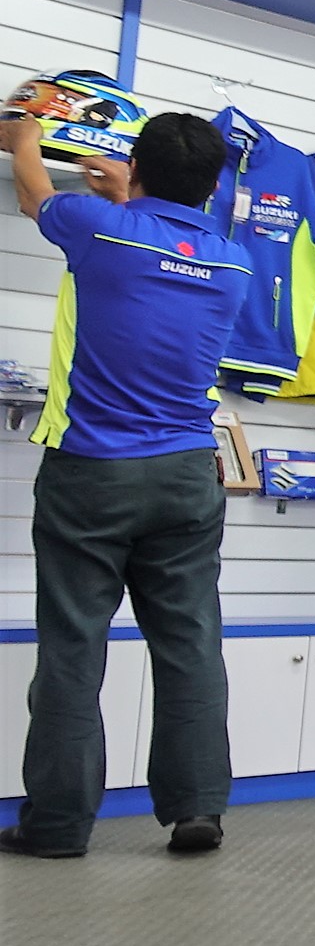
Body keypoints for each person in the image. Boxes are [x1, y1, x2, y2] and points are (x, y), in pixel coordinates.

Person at [0, 111, 252, 859]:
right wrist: (128, 196)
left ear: (136, 168)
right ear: (214, 188)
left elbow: (35, 195)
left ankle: (57, 826)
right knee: (190, 643)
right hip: (187, 476)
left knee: (74, 647)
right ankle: (198, 810)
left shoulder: (98, 229)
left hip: (93, 475)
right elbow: (161, 252)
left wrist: (23, 139)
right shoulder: (233, 263)